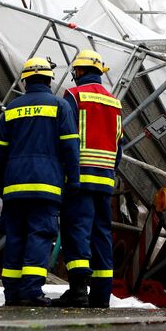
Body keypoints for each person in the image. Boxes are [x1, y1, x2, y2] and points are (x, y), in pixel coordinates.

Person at [0, 57, 80, 307]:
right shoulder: (59, 107)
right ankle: (31, 291)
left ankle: (11, 292)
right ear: (49, 79)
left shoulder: (11, 109)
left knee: (15, 237)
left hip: (14, 187)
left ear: (26, 79)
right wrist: (72, 182)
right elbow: (70, 149)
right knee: (40, 236)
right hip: (46, 187)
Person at [52, 50, 122, 308]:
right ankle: (101, 296)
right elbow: (119, 145)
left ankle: (78, 292)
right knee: (102, 235)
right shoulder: (114, 102)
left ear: (79, 71)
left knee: (76, 231)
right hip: (105, 180)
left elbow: (66, 137)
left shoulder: (73, 95)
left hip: (78, 178)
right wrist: (110, 172)